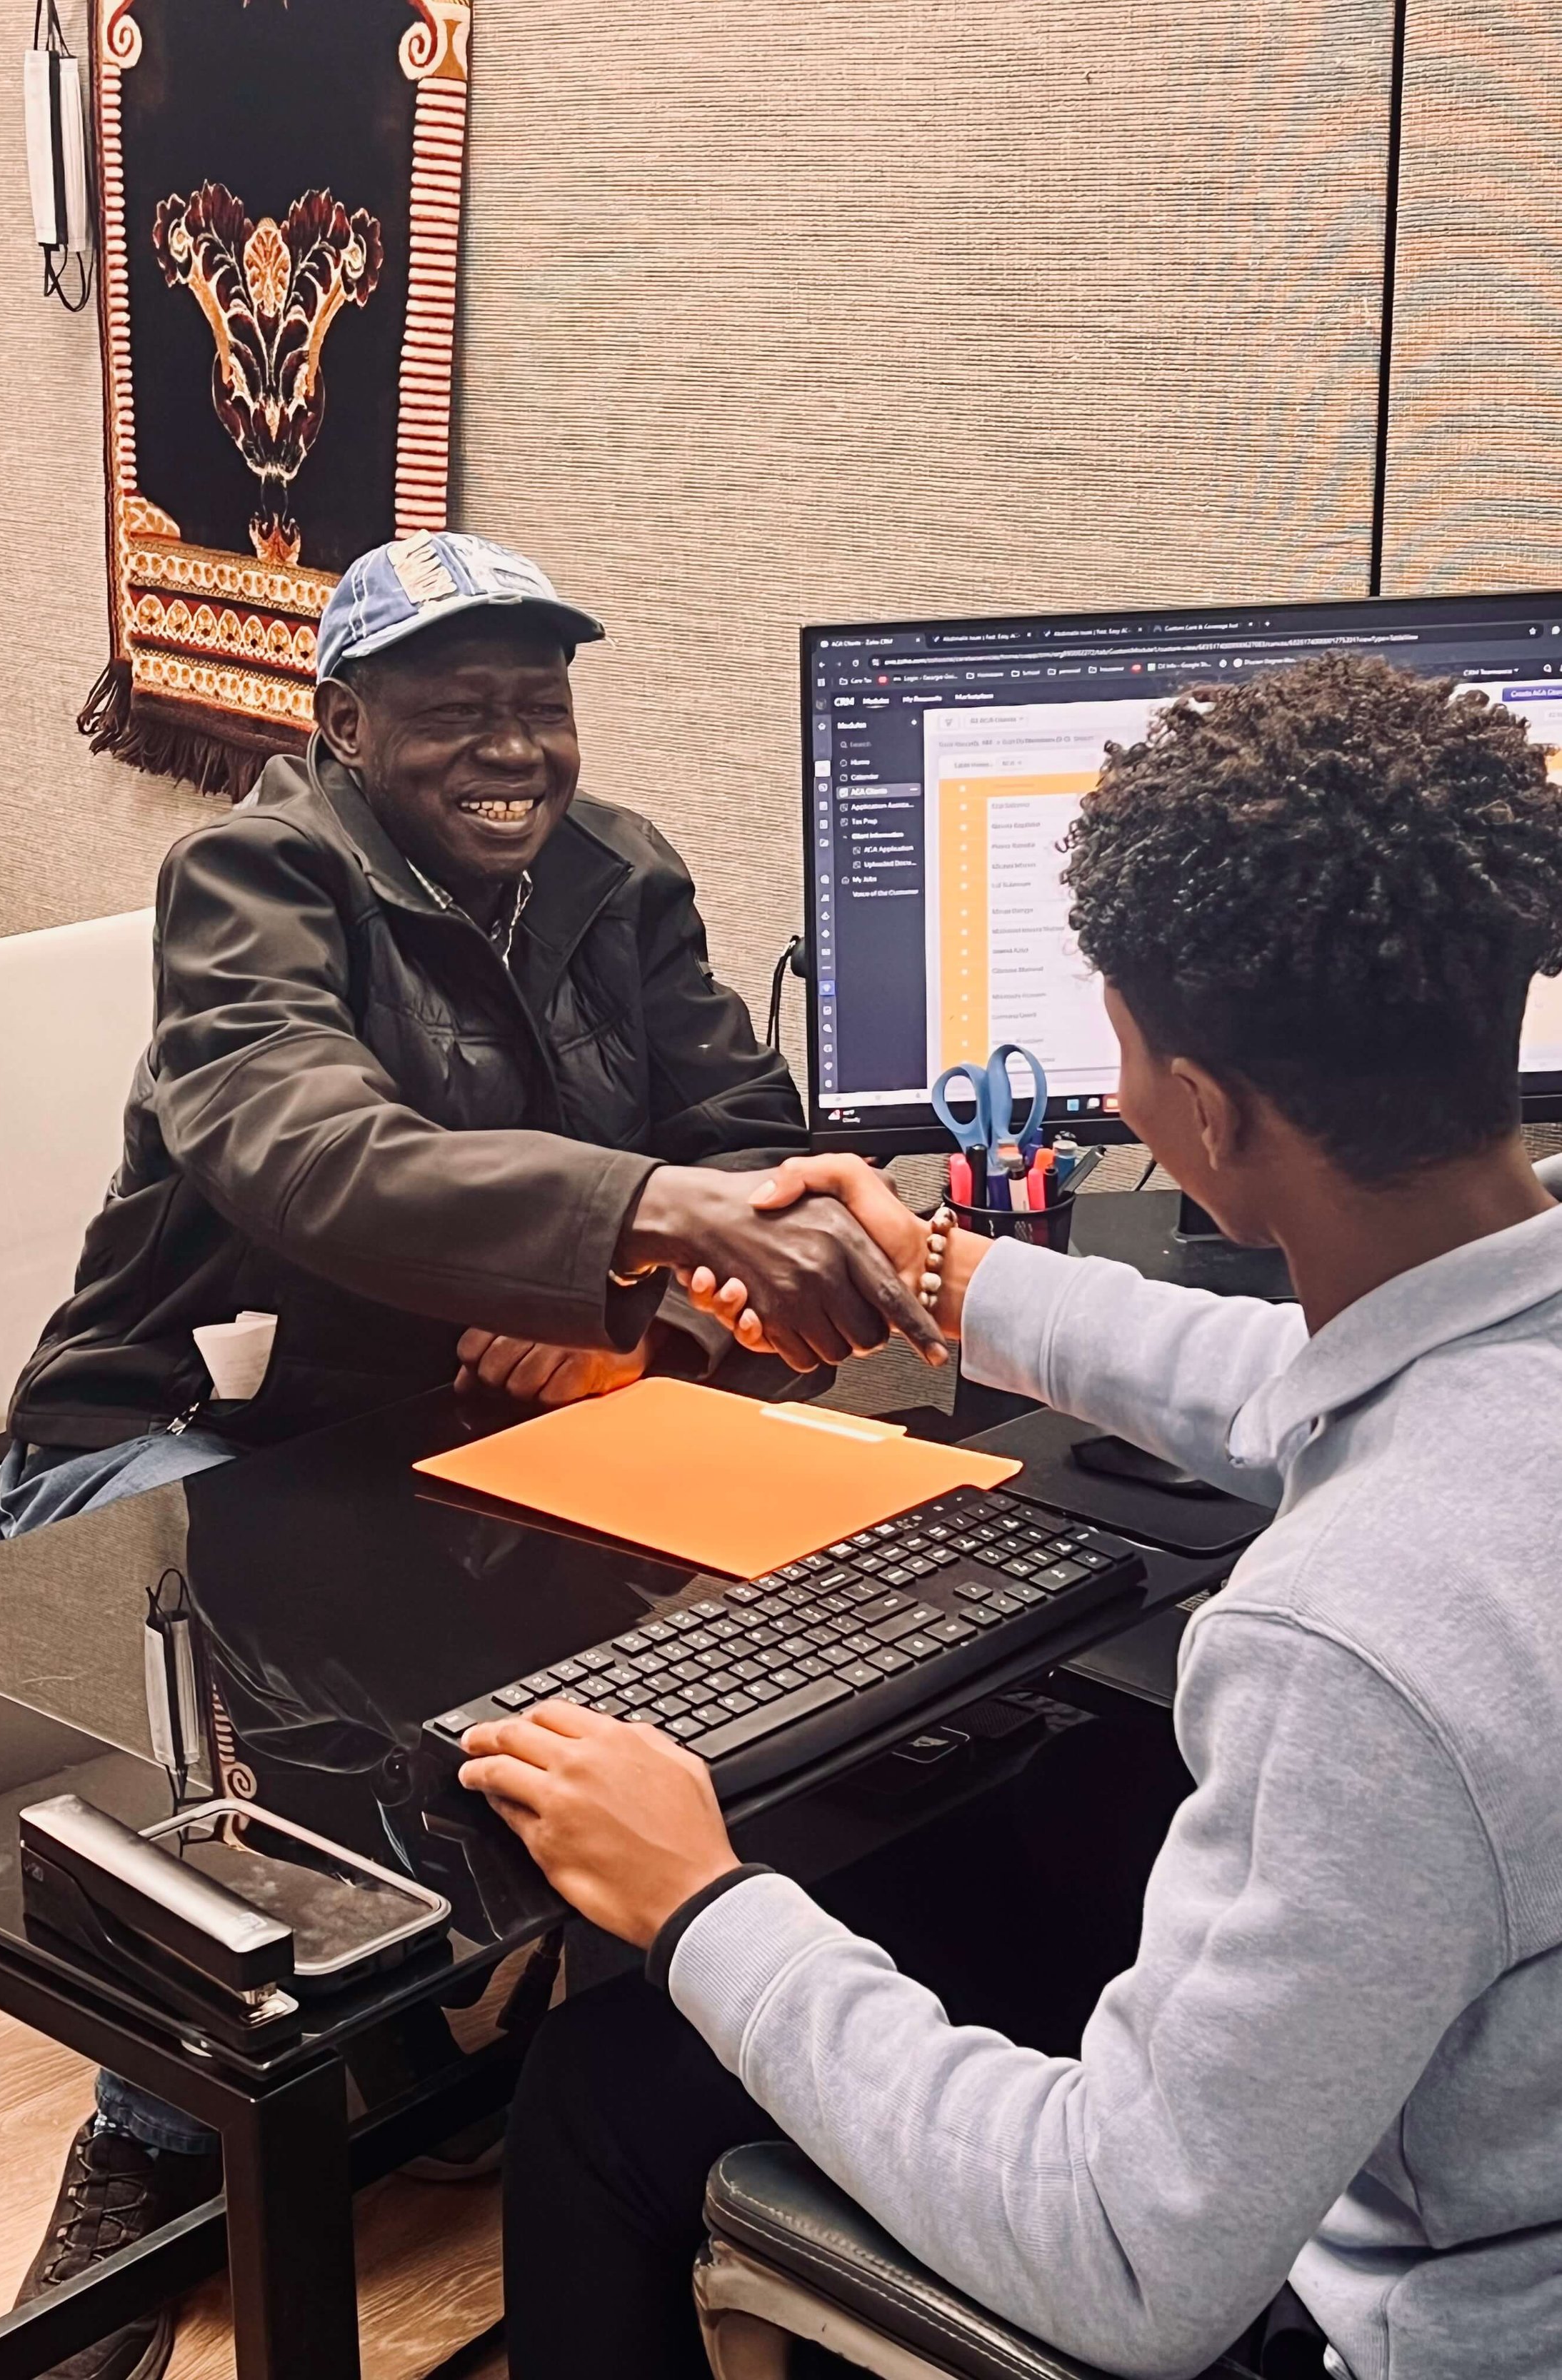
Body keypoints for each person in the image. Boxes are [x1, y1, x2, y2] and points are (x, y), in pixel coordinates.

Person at [461, 653, 1562, 2380]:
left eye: (1119, 1045)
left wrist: (699, 1897)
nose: (1112, 1090)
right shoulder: (1498, 1352)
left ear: (1201, 1114)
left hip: (1407, 2319)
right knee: (1055, 1807)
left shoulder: (1346, 1637)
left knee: (609, 2078)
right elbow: (1327, 1379)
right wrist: (944, 1280)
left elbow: (1130, 2260)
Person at [4, 530, 943, 2380]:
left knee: (734, 1650)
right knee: (283, 1678)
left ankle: (558, 2076)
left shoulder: (622, 873)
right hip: (187, 1432)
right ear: (342, 723)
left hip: (485, 1434)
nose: (512, 745)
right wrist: (636, 1214)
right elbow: (297, 1147)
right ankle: (154, 2127)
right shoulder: (252, 873)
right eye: (454, 709)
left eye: (541, 701)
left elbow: (745, 1148)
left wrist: (638, 1303)